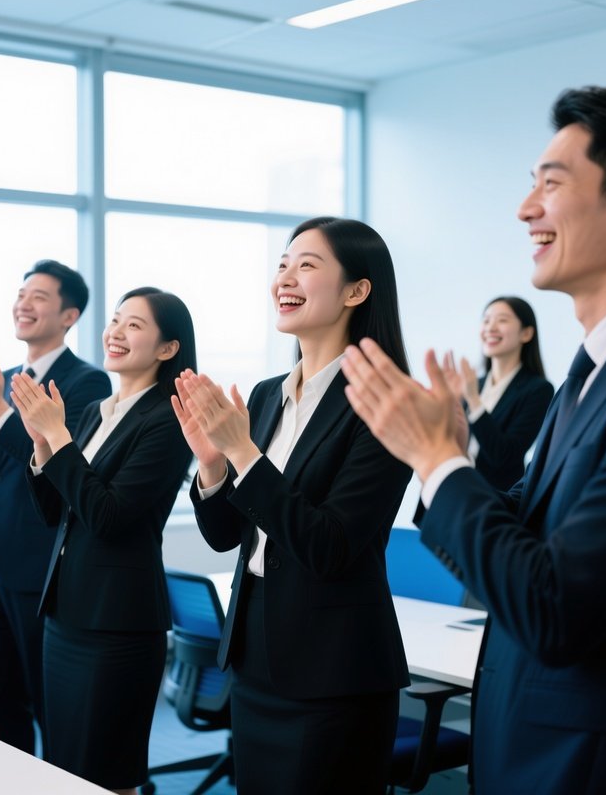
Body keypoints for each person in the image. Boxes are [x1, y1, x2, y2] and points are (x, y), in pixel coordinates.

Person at [341, 85, 606, 795]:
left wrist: (438, 460)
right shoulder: (588, 374)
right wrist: (446, 457)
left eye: (550, 185)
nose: (525, 209)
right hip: (522, 741)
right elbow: (521, 520)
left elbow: (555, 611)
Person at [172, 218, 412, 794]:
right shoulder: (266, 395)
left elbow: (327, 547)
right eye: (283, 263)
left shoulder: (386, 400)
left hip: (332, 669)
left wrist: (244, 454)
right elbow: (229, 534)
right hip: (257, 654)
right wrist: (212, 466)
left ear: (357, 290)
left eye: (307, 264)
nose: (286, 276)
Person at [10, 286, 195, 794]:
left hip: (117, 624)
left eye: (134, 325)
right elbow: (55, 512)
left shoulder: (168, 420)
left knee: (107, 772)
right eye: (115, 321)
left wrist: (61, 439)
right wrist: (41, 444)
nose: (116, 332)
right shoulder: (94, 411)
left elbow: (109, 516)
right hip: (65, 612)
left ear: (167, 348)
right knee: (64, 763)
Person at [0, 260, 111, 754]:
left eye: (39, 296)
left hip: (39, 562)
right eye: (21, 294)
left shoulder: (86, 383)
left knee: (47, 704)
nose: (24, 304)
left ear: (69, 315)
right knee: (1, 703)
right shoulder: (6, 378)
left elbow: (54, 462)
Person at [444, 295, 553, 490]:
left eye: (502, 320)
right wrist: (449, 403)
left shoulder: (539, 390)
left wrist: (474, 400)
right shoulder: (472, 383)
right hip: (451, 489)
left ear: (526, 334)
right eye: (486, 320)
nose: (490, 327)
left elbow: (505, 456)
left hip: (493, 498)